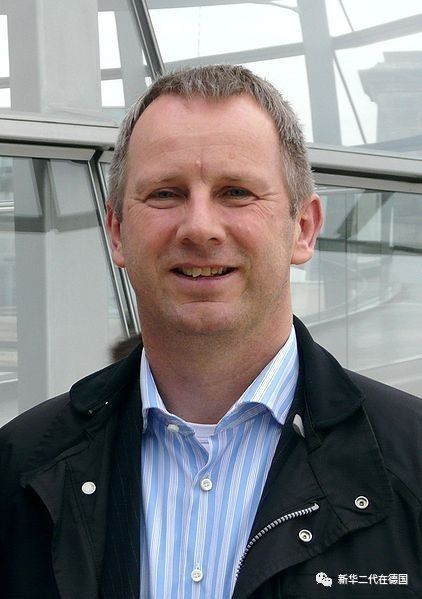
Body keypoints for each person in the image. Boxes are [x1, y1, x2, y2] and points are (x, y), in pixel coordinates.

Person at [0, 65, 421, 599]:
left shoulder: (411, 464)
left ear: (303, 228)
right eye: (165, 194)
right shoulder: (20, 470)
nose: (200, 228)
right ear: (117, 232)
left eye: (236, 192)